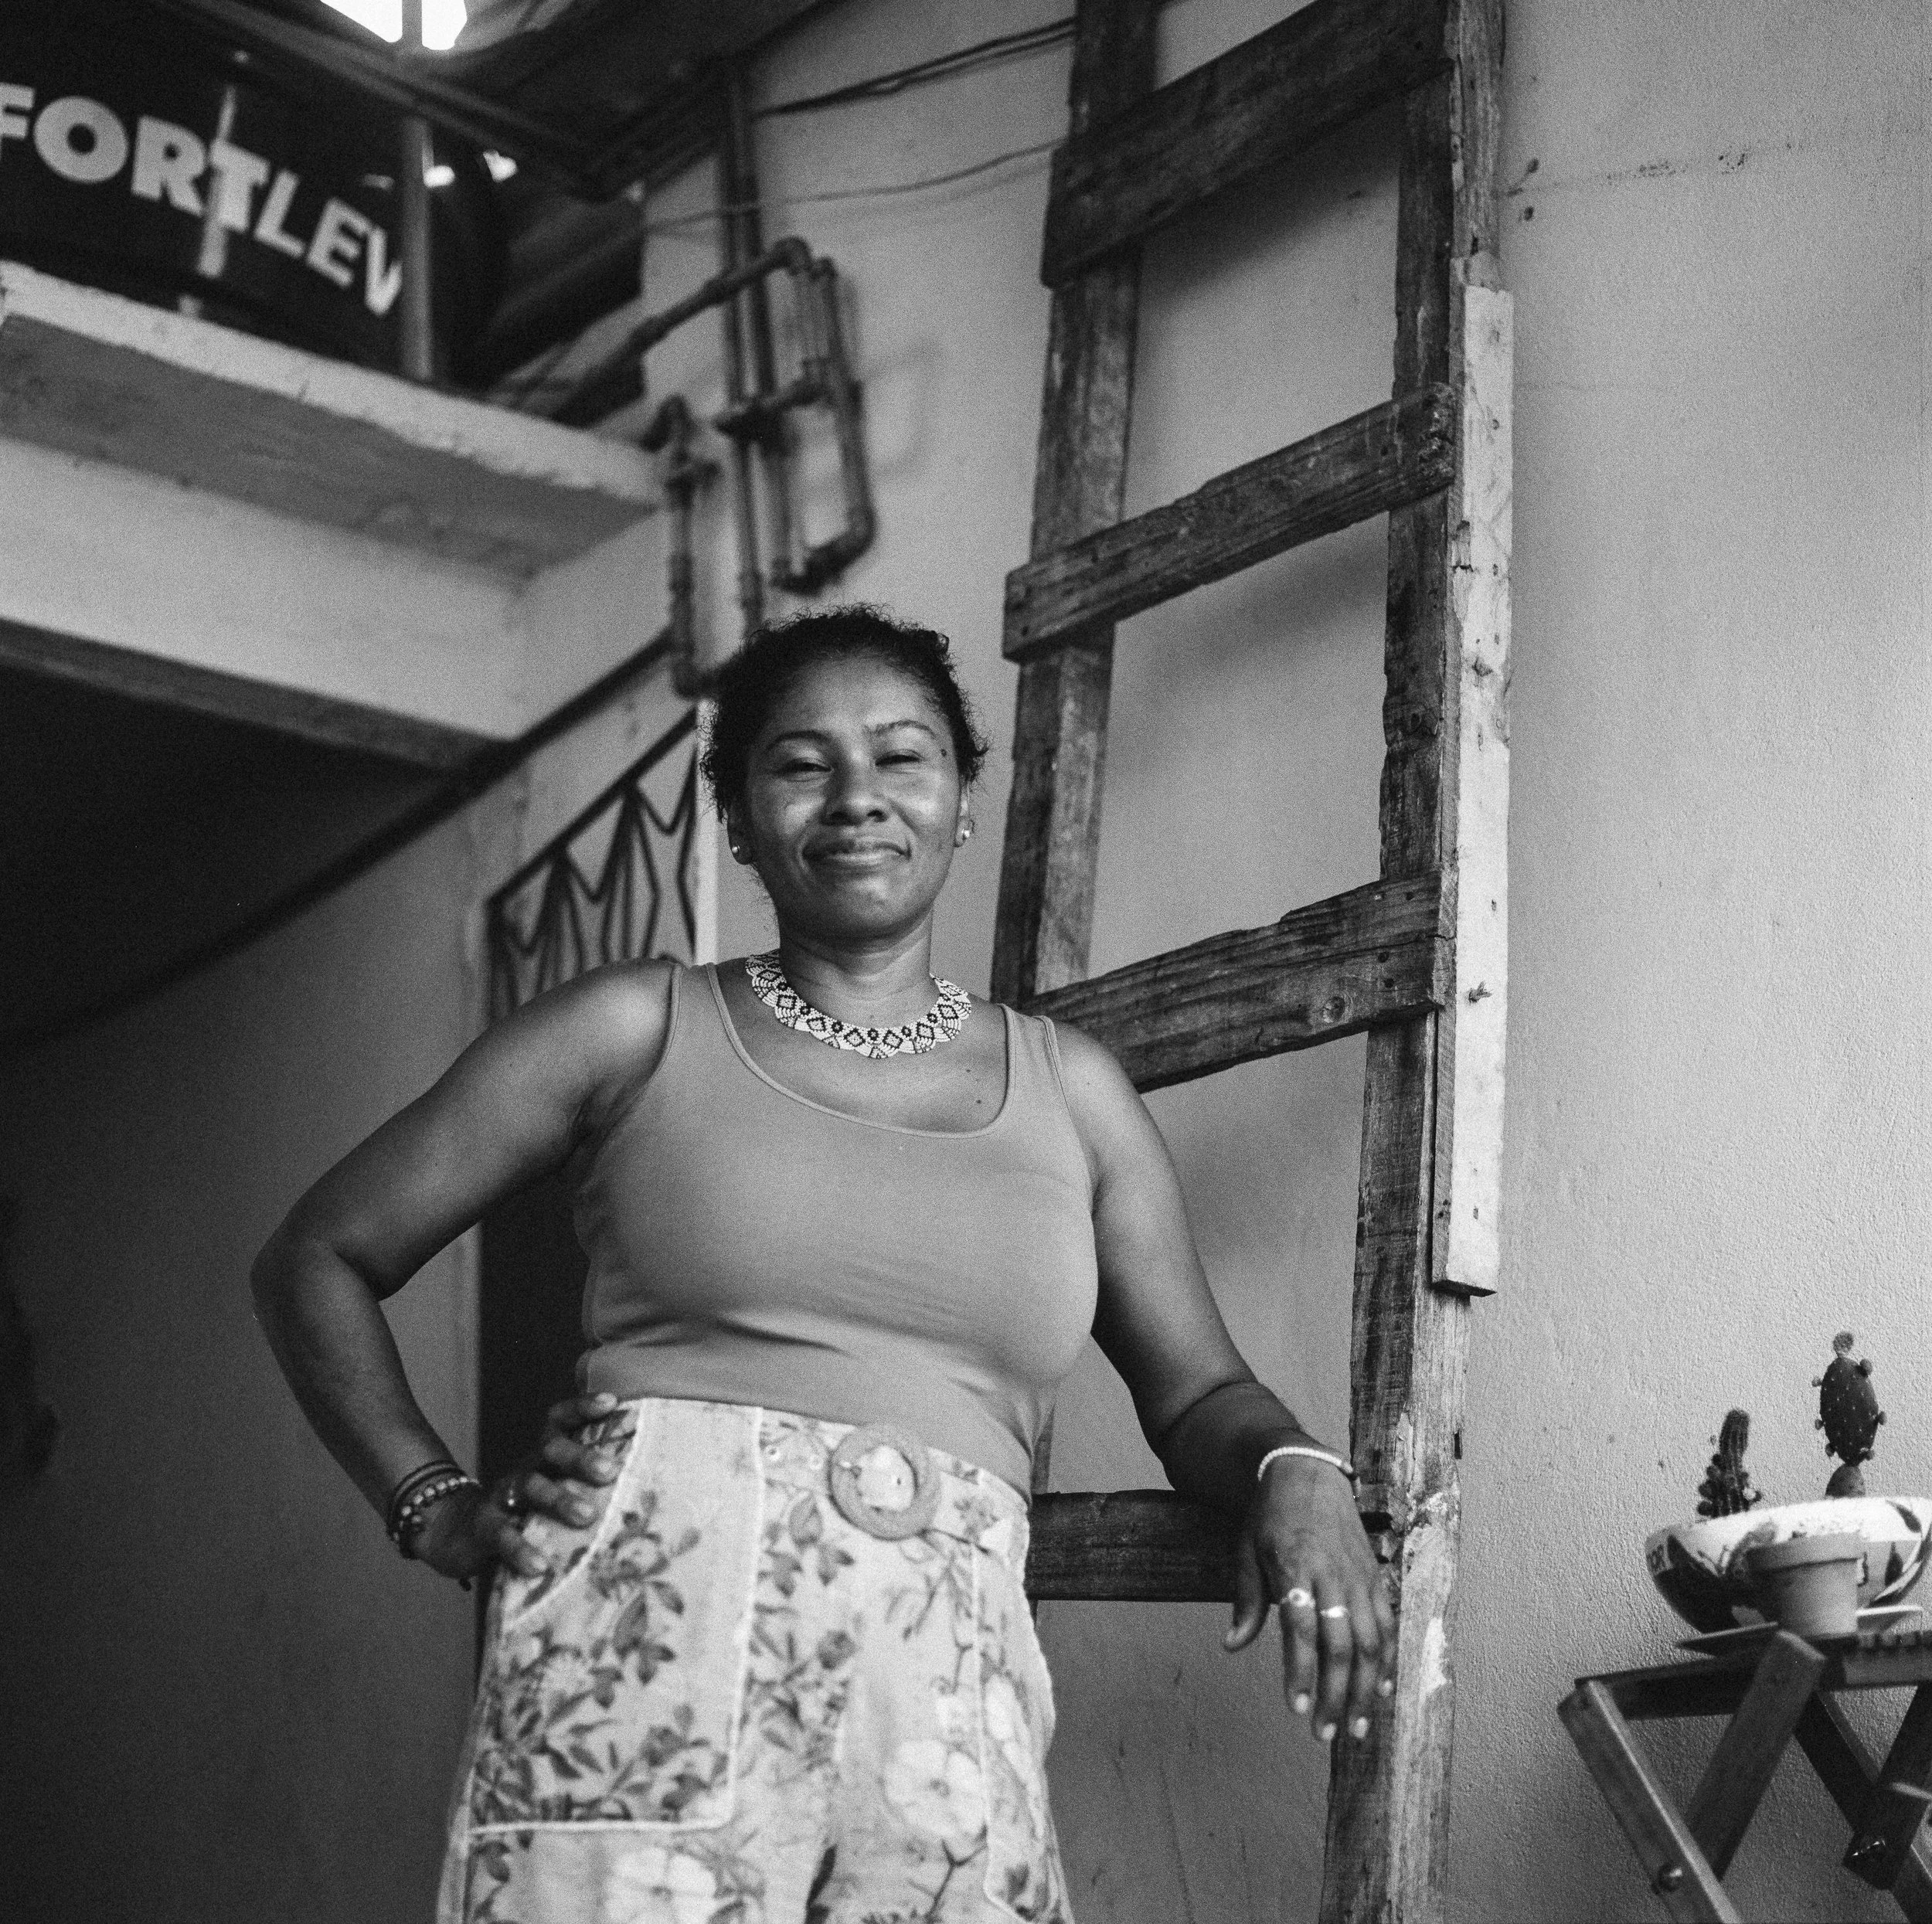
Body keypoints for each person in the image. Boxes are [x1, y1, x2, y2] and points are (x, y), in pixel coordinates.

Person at [252, 606, 1391, 1924]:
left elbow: (1196, 1393)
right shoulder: (635, 1026)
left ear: (963, 801)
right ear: (738, 818)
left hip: (943, 1709)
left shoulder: (1071, 1091)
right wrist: (433, 1502)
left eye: (903, 757)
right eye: (802, 764)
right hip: (641, 1663)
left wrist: (1293, 1469)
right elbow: (318, 1255)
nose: (858, 797)